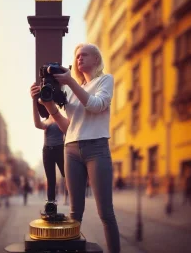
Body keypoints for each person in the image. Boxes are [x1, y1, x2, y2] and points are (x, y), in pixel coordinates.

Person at [39, 43, 120, 253]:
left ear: (96, 59)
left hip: (97, 148)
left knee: (106, 213)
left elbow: (96, 105)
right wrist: (47, 105)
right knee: (75, 212)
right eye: (76, 57)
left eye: (84, 55)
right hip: (71, 149)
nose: (79, 59)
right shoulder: (73, 90)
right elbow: (68, 126)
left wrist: (70, 82)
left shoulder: (105, 80)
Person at [30, 83, 65, 202]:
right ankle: (51, 203)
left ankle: (71, 198)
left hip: (61, 149)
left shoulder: (63, 117)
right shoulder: (47, 121)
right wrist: (34, 100)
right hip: (47, 151)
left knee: (67, 175)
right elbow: (37, 124)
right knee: (51, 180)